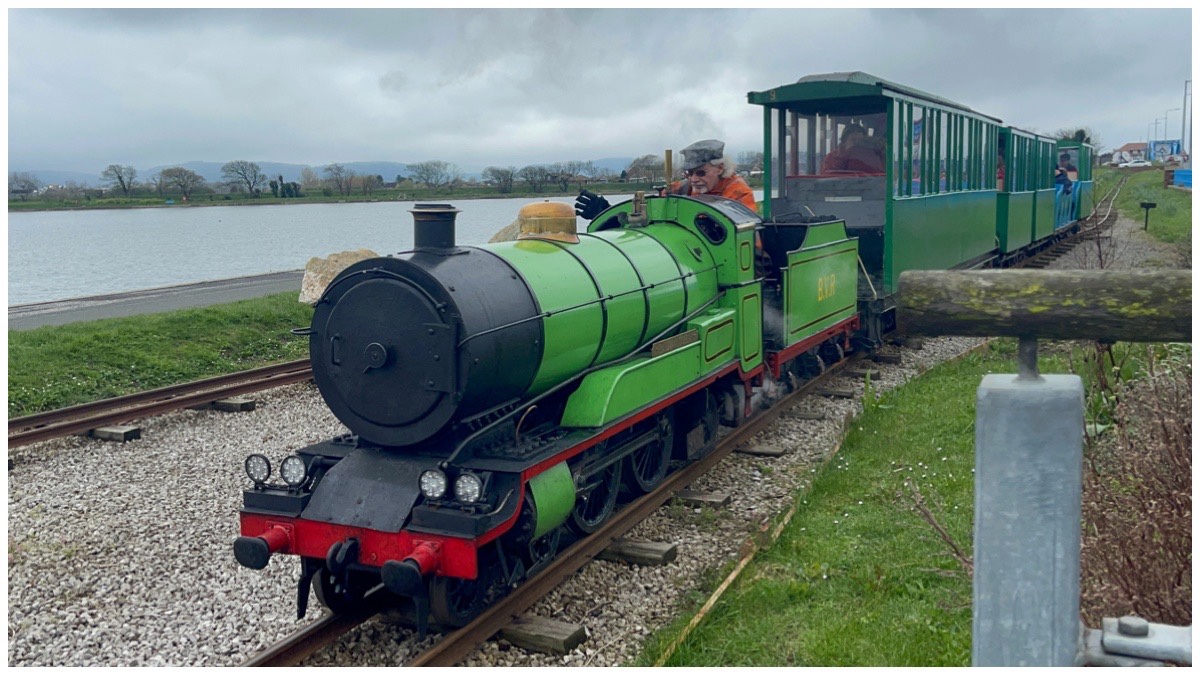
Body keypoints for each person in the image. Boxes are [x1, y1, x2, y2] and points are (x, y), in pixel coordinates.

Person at [574, 139, 757, 220]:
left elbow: (748, 238)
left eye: (701, 173)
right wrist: (609, 213)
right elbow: (651, 211)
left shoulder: (738, 193)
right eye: (689, 173)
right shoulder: (681, 189)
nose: (693, 179)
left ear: (719, 168)